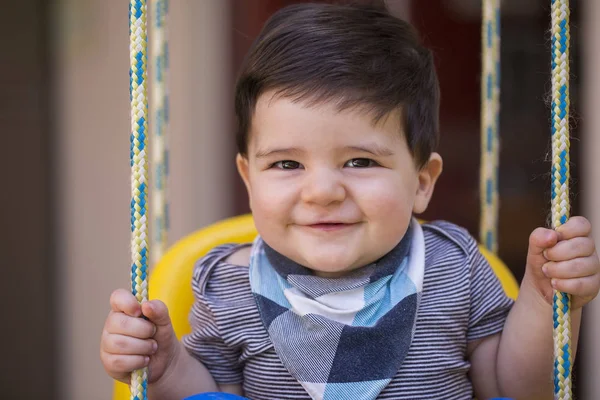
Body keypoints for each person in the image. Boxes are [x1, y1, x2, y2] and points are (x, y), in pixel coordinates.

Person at [100, 3, 600, 399]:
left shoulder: (454, 269)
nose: (322, 192)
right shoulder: (226, 286)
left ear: (423, 181)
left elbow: (516, 389)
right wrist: (164, 370)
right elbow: (211, 394)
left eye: (360, 162)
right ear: (248, 181)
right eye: (286, 164)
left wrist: (548, 301)